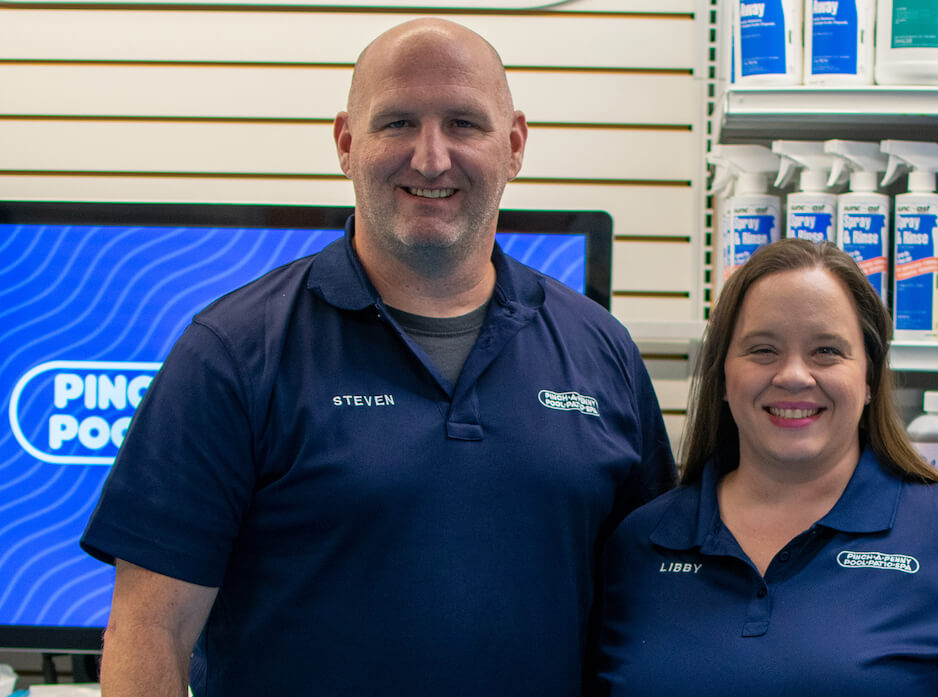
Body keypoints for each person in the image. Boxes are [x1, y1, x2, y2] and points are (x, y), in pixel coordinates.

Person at [81, 18, 676, 697]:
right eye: (396, 122)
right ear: (345, 142)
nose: (430, 157)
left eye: (463, 123)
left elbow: (653, 606)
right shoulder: (232, 353)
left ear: (514, 145)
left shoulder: (601, 350)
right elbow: (148, 630)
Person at [594, 239, 938, 696]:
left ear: (869, 376)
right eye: (763, 350)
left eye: (826, 351)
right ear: (723, 374)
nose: (793, 376)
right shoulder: (641, 542)